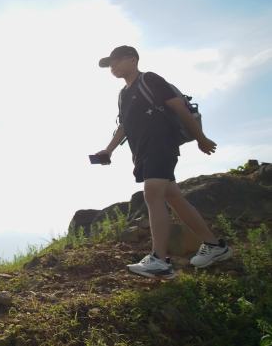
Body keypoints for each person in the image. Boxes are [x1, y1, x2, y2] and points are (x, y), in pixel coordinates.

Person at [95, 46, 232, 279]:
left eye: (116, 62)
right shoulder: (123, 95)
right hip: (142, 151)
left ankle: (159, 260)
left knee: (152, 193)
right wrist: (108, 150)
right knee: (173, 197)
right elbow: (124, 126)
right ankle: (215, 246)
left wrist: (201, 138)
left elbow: (179, 107)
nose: (113, 67)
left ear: (132, 59)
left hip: (161, 144)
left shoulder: (149, 79)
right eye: (110, 65)